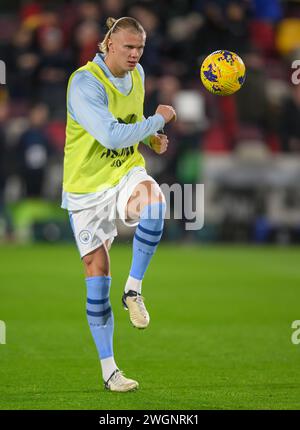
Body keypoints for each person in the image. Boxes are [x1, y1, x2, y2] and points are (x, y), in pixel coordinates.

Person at [61, 16, 176, 392]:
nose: (134, 54)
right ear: (108, 44)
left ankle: (133, 290)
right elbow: (110, 134)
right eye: (128, 47)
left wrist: (150, 136)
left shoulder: (138, 74)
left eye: (140, 48)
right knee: (96, 275)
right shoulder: (84, 83)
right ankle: (111, 371)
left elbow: (129, 123)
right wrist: (158, 118)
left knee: (156, 204)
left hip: (125, 173)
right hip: (86, 189)